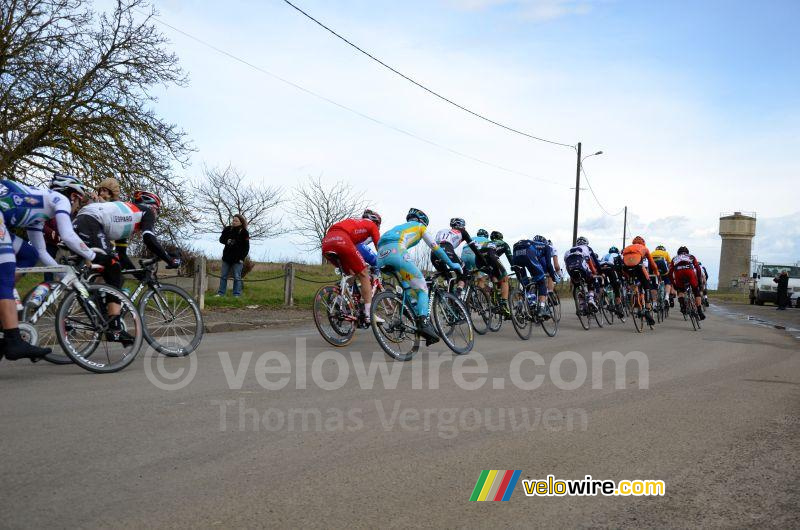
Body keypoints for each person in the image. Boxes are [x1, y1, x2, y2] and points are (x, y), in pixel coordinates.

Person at [0, 174, 98, 361]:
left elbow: (41, 252)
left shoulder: (38, 212)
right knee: (4, 275)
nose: (76, 208)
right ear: (74, 196)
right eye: (79, 202)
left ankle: (5, 315)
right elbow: (68, 236)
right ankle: (13, 340)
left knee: (28, 255)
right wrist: (94, 255)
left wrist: (64, 274)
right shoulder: (60, 199)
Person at [74, 190, 180, 343]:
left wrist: (139, 276)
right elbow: (149, 238)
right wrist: (169, 259)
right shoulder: (146, 212)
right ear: (153, 207)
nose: (155, 216)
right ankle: (115, 328)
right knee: (114, 269)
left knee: (111, 272)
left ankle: (101, 313)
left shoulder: (126, 218)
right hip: (91, 222)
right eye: (157, 211)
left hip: (82, 221)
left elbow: (122, 255)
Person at [377, 208, 461, 345]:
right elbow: (436, 248)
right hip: (397, 253)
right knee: (422, 288)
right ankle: (423, 323)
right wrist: (451, 264)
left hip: (380, 257)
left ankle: (408, 310)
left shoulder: (396, 228)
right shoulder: (420, 227)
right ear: (423, 222)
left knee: (408, 289)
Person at [321, 209, 382, 323]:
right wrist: (385, 260)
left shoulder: (353, 222)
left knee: (350, 272)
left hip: (326, 242)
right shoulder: (372, 225)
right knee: (364, 274)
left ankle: (343, 299)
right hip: (342, 240)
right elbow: (379, 247)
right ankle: (369, 315)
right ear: (377, 222)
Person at [431, 218, 481, 295]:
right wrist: (481, 258)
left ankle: (449, 299)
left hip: (434, 253)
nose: (464, 227)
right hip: (447, 250)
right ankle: (458, 296)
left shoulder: (442, 231)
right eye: (464, 226)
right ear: (461, 225)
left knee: (448, 277)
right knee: (464, 272)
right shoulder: (462, 231)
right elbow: (473, 247)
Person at [512, 235, 554, 318]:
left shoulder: (533, 244)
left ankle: (521, 304)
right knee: (541, 281)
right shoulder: (547, 247)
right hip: (528, 252)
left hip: (516, 252)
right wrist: (553, 276)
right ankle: (542, 308)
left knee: (525, 283)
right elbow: (549, 265)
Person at [621, 236, 659, 325]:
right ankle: (647, 310)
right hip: (638, 266)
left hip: (625, 268)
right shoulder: (644, 248)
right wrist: (656, 271)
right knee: (647, 286)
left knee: (633, 282)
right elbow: (652, 263)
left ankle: (635, 297)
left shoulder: (627, 248)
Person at [563, 236, 602, 310]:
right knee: (591, 279)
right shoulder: (587, 248)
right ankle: (590, 298)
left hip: (571, 270)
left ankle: (581, 304)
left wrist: (571, 277)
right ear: (586, 243)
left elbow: (566, 265)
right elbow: (591, 261)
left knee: (578, 284)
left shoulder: (569, 250)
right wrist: (597, 272)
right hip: (581, 267)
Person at [216, 214, 250, 297]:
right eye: (233, 220)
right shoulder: (227, 229)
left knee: (237, 277)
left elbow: (246, 247)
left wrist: (242, 258)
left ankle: (236, 294)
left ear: (241, 222)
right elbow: (221, 239)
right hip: (227, 257)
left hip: (238, 259)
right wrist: (227, 241)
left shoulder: (244, 232)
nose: (234, 222)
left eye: (236, 221)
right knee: (223, 276)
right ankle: (221, 293)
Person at [669, 246, 705, 320]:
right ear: (687, 252)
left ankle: (682, 306)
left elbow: (670, 273)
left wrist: (674, 284)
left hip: (679, 274)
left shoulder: (675, 258)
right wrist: (699, 280)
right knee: (696, 291)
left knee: (681, 290)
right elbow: (698, 269)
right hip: (689, 272)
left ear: (678, 253)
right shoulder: (691, 256)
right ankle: (699, 311)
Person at [599, 246, 625, 318]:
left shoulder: (604, 255)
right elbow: (621, 267)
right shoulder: (618, 255)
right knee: (616, 287)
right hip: (611, 268)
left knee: (604, 285)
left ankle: (604, 298)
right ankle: (618, 307)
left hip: (601, 268)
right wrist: (621, 277)